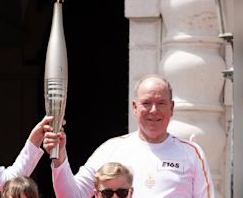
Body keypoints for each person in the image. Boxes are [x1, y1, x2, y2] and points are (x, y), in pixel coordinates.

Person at [43, 74, 214, 197]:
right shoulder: (111, 149)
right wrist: (59, 158)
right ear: (134, 107)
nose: (153, 111)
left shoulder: (191, 153)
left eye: (161, 103)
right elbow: (72, 195)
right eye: (146, 103)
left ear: (172, 107)